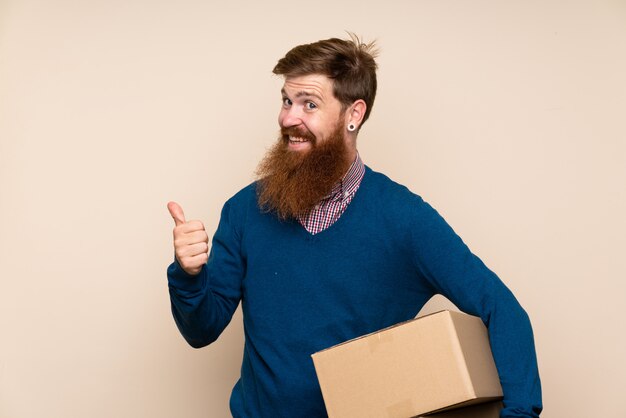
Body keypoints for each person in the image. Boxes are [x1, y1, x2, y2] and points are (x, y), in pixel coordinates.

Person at [166, 35, 542, 418]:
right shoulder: (244, 210)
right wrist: (189, 274)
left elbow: (502, 309)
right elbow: (202, 330)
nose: (288, 118)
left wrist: (520, 412)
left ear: (354, 114)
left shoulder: (403, 219)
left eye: (308, 104)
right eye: (286, 101)